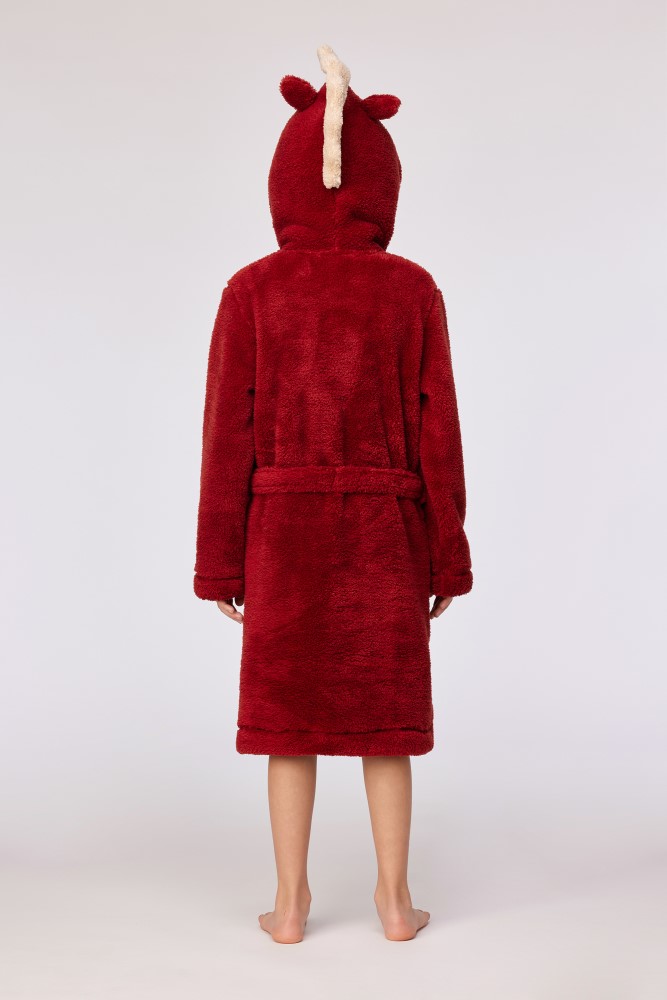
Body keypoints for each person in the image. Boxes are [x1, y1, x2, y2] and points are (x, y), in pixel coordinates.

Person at [193, 46, 473, 943]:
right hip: (387, 534)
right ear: (383, 182)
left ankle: (288, 907)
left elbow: (226, 434)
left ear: (283, 179)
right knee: (385, 721)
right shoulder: (411, 291)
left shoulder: (250, 291)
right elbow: (439, 436)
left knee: (288, 723)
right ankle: (394, 903)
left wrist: (219, 562)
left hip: (280, 531)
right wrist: (446, 556)